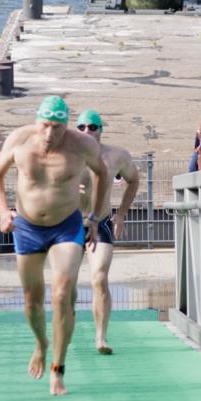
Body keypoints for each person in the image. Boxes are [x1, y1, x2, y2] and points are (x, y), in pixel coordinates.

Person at [0, 95, 108, 396]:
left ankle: (58, 369)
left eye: (56, 127)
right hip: (27, 227)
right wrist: (3, 211)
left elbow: (103, 173)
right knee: (32, 299)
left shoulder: (82, 144)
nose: (49, 134)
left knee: (62, 291)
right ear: (36, 121)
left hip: (66, 227)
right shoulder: (19, 139)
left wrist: (94, 217)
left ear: (66, 125)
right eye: (44, 125)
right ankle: (41, 344)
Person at [75, 108, 140, 354]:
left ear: (101, 129)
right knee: (65, 286)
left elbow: (134, 180)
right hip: (69, 224)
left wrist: (121, 213)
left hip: (99, 223)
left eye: (93, 126)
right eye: (81, 127)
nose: (87, 131)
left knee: (99, 278)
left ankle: (101, 337)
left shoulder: (116, 155)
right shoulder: (66, 154)